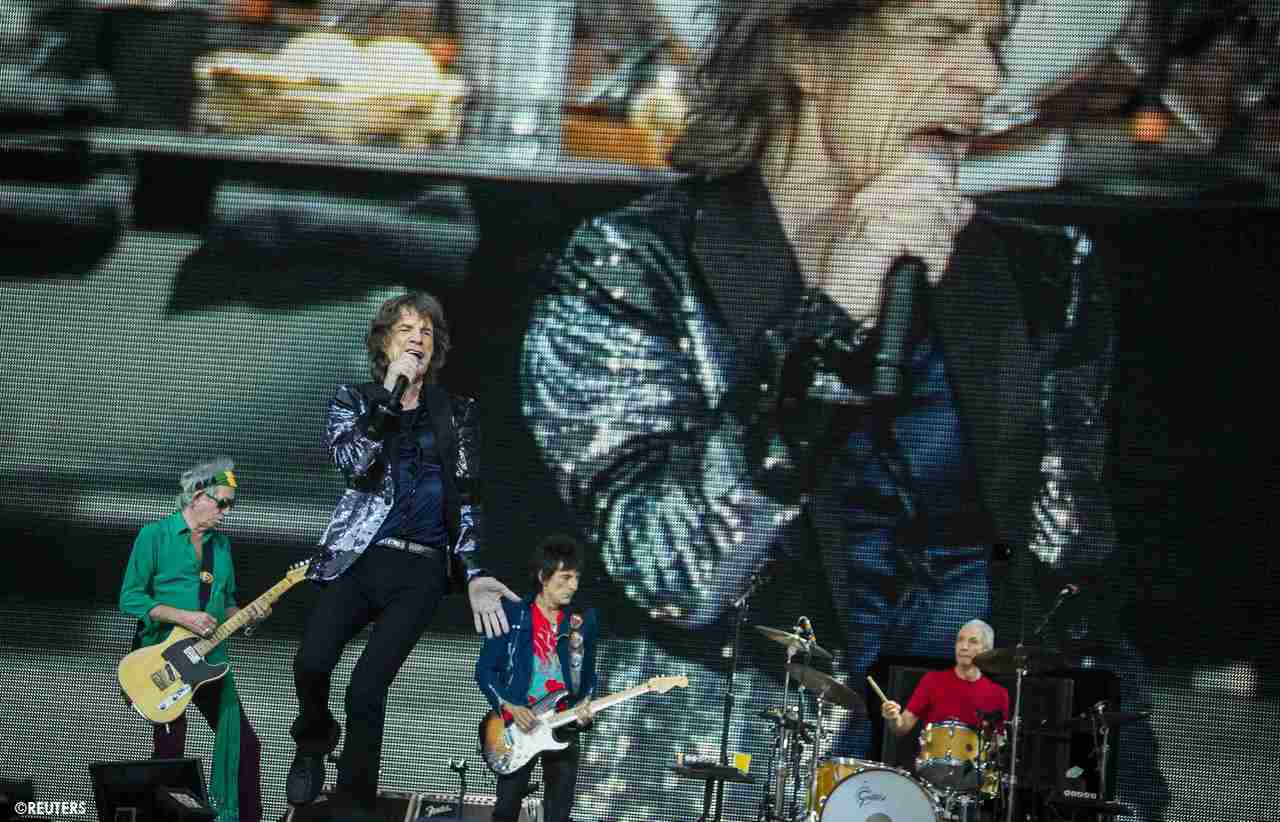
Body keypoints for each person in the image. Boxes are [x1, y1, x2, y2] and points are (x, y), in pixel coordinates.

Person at [519, 0, 1162, 816]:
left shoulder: (1042, 275)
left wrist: (1118, 797)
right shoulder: (631, 267)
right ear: (805, 50)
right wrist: (831, 319)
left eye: (993, 41)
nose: (985, 77)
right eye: (939, 35)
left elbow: (1070, 592)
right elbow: (674, 572)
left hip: (961, 779)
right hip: (720, 785)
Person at [287, 292, 519, 811]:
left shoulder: (456, 414)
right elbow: (354, 465)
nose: (418, 338)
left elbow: (468, 499)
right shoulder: (354, 400)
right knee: (312, 661)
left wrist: (475, 573)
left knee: (367, 687)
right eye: (406, 329)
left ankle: (353, 807)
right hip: (361, 557)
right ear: (385, 343)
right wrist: (389, 399)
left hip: (421, 569)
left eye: (427, 331)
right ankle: (314, 737)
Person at [119, 457, 266, 822]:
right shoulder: (154, 535)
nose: (227, 512)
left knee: (244, 744)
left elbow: (226, 603)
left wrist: (248, 615)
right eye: (223, 503)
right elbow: (131, 598)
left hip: (208, 660)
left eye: (231, 505)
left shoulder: (222, 546)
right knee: (170, 751)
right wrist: (184, 617)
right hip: (162, 660)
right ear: (198, 496)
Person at [475, 534, 598, 822]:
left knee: (559, 814)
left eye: (577, 578)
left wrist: (586, 706)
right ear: (543, 577)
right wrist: (510, 706)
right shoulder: (511, 614)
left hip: (563, 724)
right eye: (565, 577)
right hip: (519, 726)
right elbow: (484, 670)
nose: (574, 586)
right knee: (506, 810)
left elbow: (589, 675)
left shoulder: (584, 620)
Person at [881, 619, 1009, 737]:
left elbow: (998, 742)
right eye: (960, 640)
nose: (963, 647)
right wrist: (894, 718)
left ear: (987, 650)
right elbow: (901, 727)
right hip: (932, 754)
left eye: (973, 641)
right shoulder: (932, 680)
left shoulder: (998, 694)